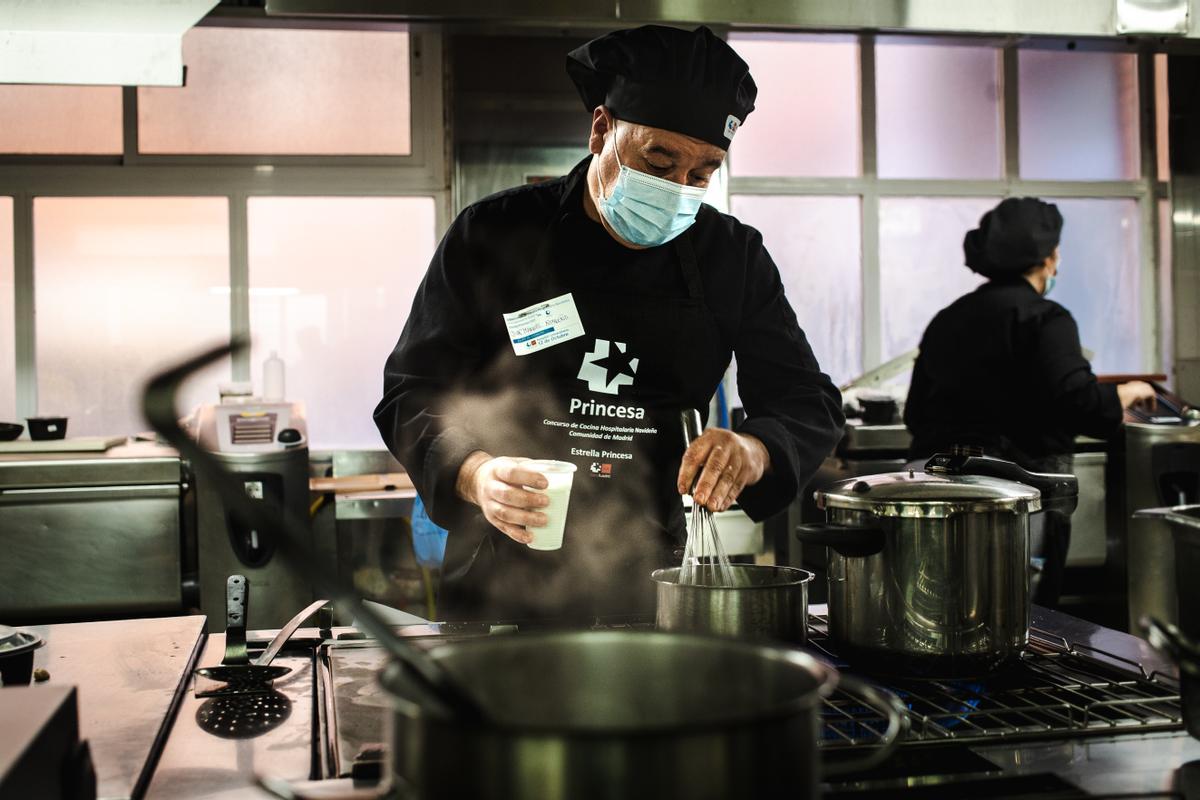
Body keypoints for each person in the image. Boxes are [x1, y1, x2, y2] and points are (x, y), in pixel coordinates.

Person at [374, 25, 843, 622]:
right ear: (601, 129)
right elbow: (412, 392)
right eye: (659, 160)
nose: (677, 189)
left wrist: (754, 448)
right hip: (504, 576)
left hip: (662, 581)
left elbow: (808, 400)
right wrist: (475, 474)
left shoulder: (732, 256)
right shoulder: (493, 234)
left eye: (701, 174)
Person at [904, 197, 1156, 607]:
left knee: (940, 611)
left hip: (932, 493)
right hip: (1016, 501)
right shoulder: (1046, 318)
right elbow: (1079, 403)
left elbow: (915, 413)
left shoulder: (948, 318)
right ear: (1049, 258)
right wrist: (1127, 392)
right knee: (1017, 618)